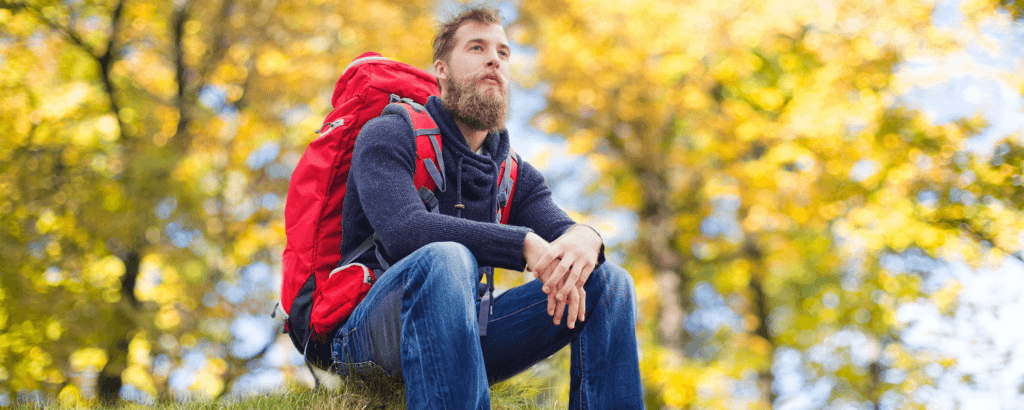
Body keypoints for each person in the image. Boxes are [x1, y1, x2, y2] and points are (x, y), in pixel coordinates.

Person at [320, 6, 643, 409]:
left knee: (608, 281)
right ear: (442, 70)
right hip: (368, 335)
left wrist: (586, 237)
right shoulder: (389, 134)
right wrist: (522, 243)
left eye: (504, 53)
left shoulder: (513, 173)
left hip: (465, 333)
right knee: (445, 258)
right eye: (477, 48)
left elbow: (564, 234)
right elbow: (405, 231)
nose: (494, 59)